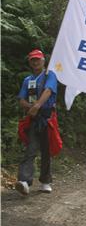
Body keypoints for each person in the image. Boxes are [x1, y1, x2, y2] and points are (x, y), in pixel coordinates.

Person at [15, 49, 59, 195]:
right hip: (33, 119)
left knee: (46, 151)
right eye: (33, 60)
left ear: (43, 61)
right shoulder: (27, 80)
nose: (35, 62)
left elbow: (48, 91)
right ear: (30, 62)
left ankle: (45, 181)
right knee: (31, 149)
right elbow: (21, 99)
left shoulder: (49, 75)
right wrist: (31, 107)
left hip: (47, 119)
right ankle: (24, 181)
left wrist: (38, 105)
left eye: (38, 59)